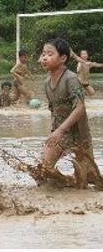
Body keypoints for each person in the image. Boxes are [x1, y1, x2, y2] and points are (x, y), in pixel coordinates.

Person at [39, 37, 99, 187]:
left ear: (63, 58)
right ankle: (63, 183)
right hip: (59, 133)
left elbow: (80, 108)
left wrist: (60, 130)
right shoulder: (46, 82)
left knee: (86, 181)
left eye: (50, 54)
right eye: (43, 53)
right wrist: (55, 131)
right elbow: (54, 111)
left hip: (80, 134)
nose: (44, 57)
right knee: (42, 172)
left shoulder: (70, 79)